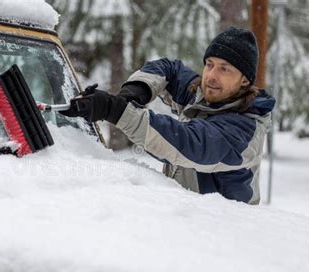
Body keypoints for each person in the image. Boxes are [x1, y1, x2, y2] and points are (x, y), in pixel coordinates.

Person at [61, 26, 275, 205]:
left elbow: (188, 142)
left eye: (224, 69)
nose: (211, 76)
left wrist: (114, 110)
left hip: (222, 236)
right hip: (184, 219)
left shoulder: (245, 129)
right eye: (209, 65)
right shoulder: (201, 94)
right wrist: (136, 90)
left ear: (245, 80)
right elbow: (169, 69)